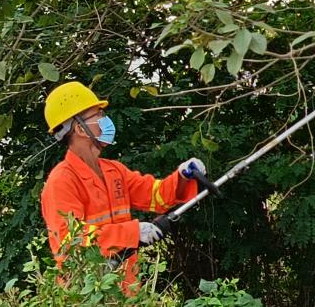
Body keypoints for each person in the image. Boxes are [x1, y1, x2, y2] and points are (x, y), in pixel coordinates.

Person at [40, 80, 204, 284]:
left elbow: (157, 196)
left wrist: (182, 176)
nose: (105, 120)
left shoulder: (114, 171)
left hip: (126, 292)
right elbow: (70, 241)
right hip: (86, 298)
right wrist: (134, 232)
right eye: (98, 115)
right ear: (80, 129)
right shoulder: (61, 182)